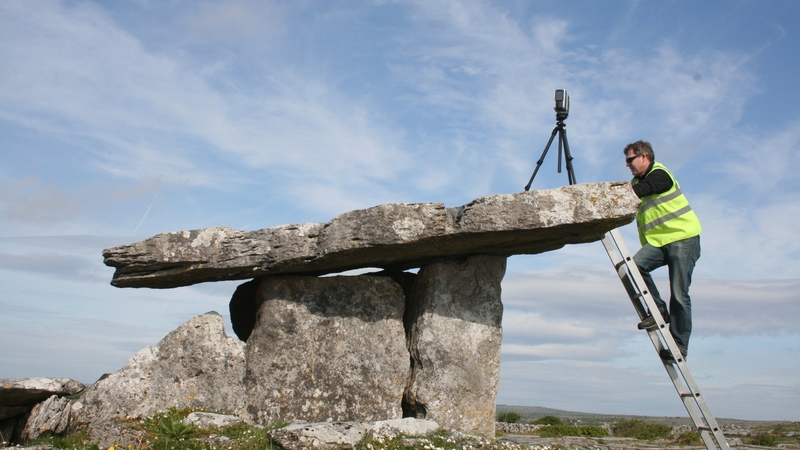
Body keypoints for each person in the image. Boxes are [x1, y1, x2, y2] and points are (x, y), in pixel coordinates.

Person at [624, 140, 701, 362]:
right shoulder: (635, 181)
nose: (628, 165)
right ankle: (659, 311)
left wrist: (622, 194)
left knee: (679, 294)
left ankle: (679, 346)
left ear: (644, 157)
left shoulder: (660, 174)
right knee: (635, 266)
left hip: (683, 238)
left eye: (630, 160)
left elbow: (645, 190)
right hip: (658, 242)